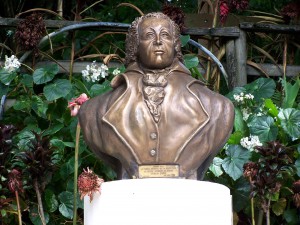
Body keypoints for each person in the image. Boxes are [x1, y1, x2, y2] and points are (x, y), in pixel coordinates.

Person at [78, 12, 234, 180]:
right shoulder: (93, 112)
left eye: (165, 35)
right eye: (149, 35)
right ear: (135, 45)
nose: (158, 41)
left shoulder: (218, 108)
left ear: (175, 44)